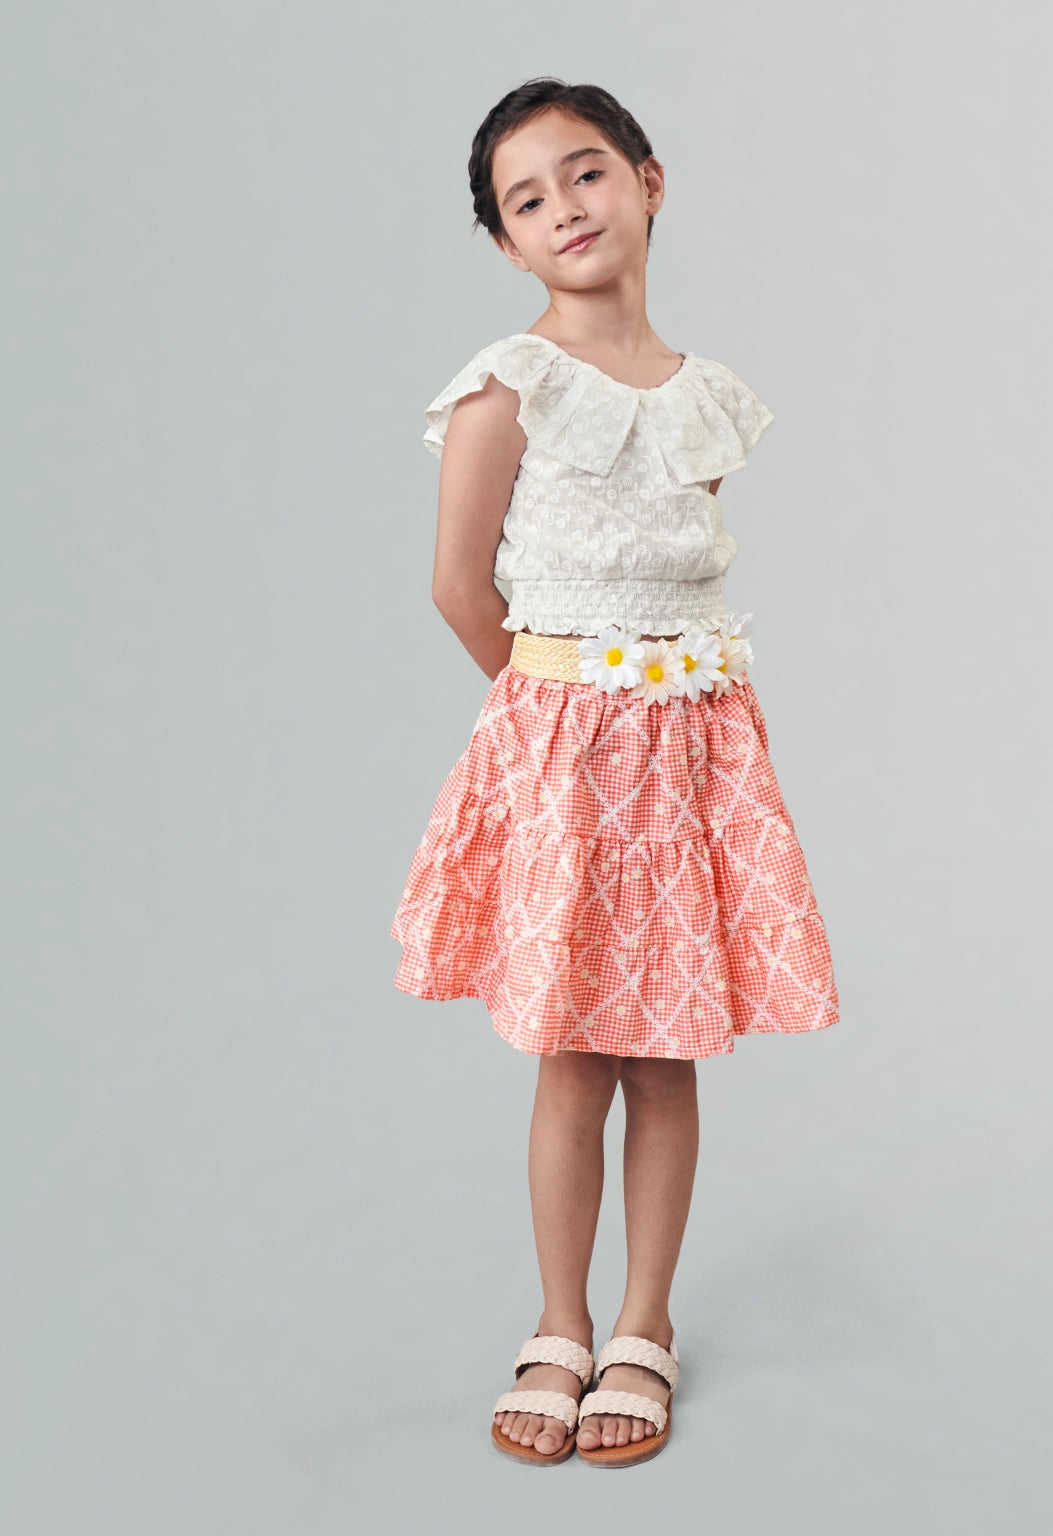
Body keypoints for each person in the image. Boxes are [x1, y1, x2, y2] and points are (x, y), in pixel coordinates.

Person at [389, 77, 840, 1469]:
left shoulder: (704, 401)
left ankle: (646, 1322)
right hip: (571, 759)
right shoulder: (507, 388)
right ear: (506, 244)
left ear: (648, 181)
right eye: (527, 200)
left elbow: (678, 577)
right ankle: (561, 1321)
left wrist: (665, 725)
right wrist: (561, 722)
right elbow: (461, 587)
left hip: (695, 754)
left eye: (586, 173)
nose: (565, 209)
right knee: (575, 1051)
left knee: (667, 1047)